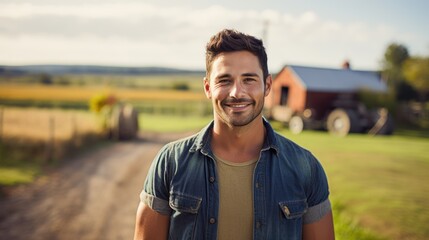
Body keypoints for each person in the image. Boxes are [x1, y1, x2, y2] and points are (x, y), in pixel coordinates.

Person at [134, 29, 334, 240]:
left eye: (248, 80)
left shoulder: (306, 168)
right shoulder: (170, 162)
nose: (237, 93)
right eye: (224, 80)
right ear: (208, 87)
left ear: (267, 86)